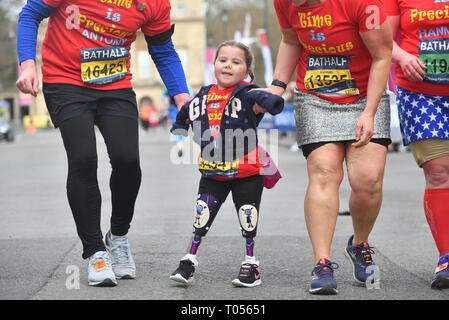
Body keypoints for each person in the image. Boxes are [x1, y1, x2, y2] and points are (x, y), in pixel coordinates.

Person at [16, 0, 191, 287]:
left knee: (127, 161)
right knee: (83, 159)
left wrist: (181, 94)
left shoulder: (156, 4)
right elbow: (31, 12)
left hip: (115, 84)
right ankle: (96, 251)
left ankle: (118, 236)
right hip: (66, 81)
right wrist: (27, 65)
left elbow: (162, 49)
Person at [270, 0, 393, 294]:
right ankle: (322, 262)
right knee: (324, 172)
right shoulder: (284, 3)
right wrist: (277, 85)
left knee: (367, 178)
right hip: (315, 97)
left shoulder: (363, 4)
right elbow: (289, 40)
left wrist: (369, 113)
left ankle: (360, 244)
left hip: (365, 95)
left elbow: (382, 55)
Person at [169, 41, 284, 287]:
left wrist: (273, 101)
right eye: (222, 60)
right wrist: (179, 125)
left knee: (248, 217)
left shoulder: (248, 94)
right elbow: (186, 110)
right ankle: (189, 260)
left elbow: (263, 98)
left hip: (247, 172)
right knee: (201, 217)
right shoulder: (203, 94)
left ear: (246, 71)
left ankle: (251, 264)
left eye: (236, 62)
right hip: (212, 172)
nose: (228, 65)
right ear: (214, 64)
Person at [385, 0, 449, 289]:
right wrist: (402, 56)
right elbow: (381, 38)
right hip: (420, 96)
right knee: (438, 172)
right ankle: (446, 256)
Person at [162, 84, 193, 157]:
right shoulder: (186, 85)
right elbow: (191, 96)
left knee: (176, 126)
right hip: (183, 108)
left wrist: (165, 110)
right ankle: (180, 144)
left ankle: (179, 145)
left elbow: (164, 97)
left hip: (173, 107)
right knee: (181, 126)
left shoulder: (168, 85)